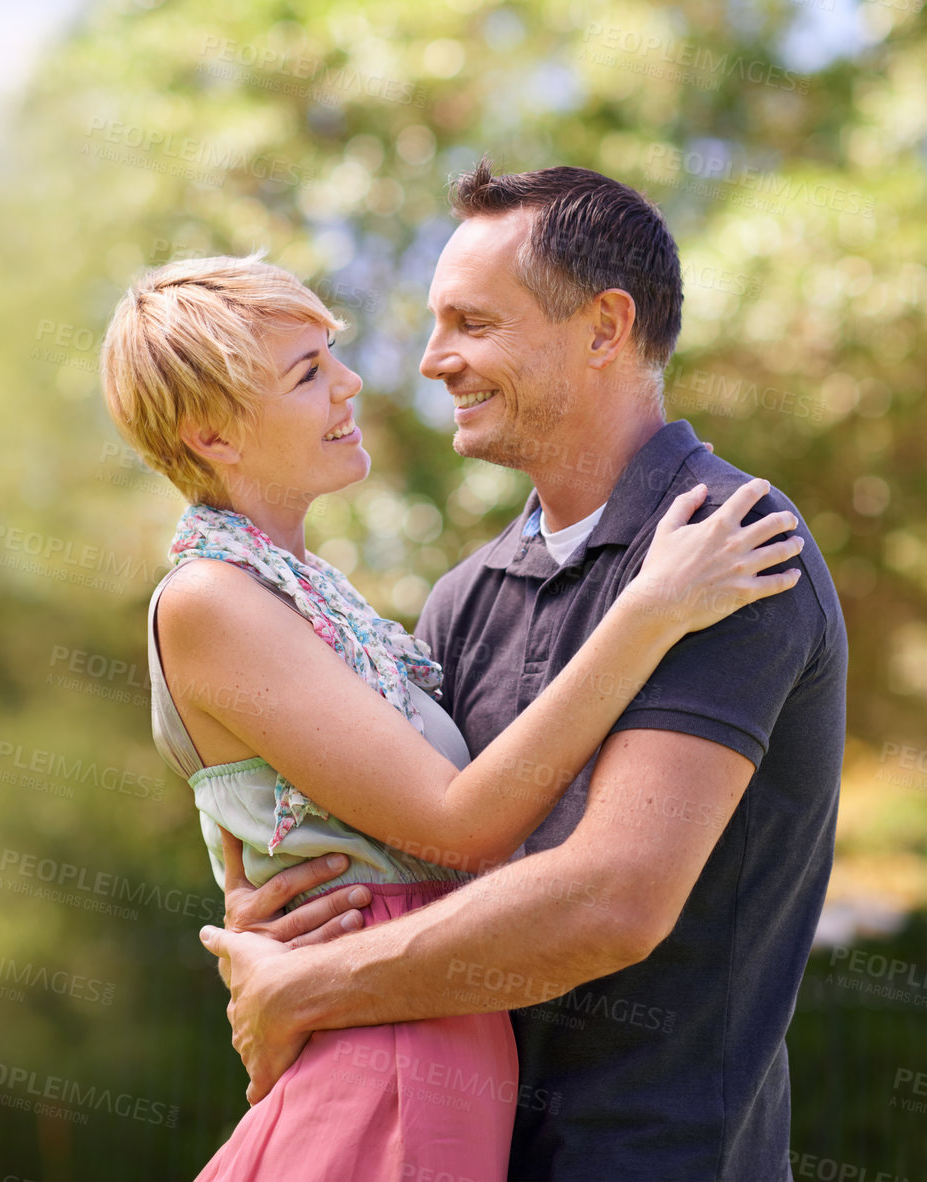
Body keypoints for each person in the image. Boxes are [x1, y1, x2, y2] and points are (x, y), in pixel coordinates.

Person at [195, 163, 847, 1180]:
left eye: (471, 323)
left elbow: (611, 901)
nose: (428, 361)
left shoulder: (731, 554)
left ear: (602, 330)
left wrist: (314, 989)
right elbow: (430, 861)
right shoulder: (463, 600)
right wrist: (283, 920)